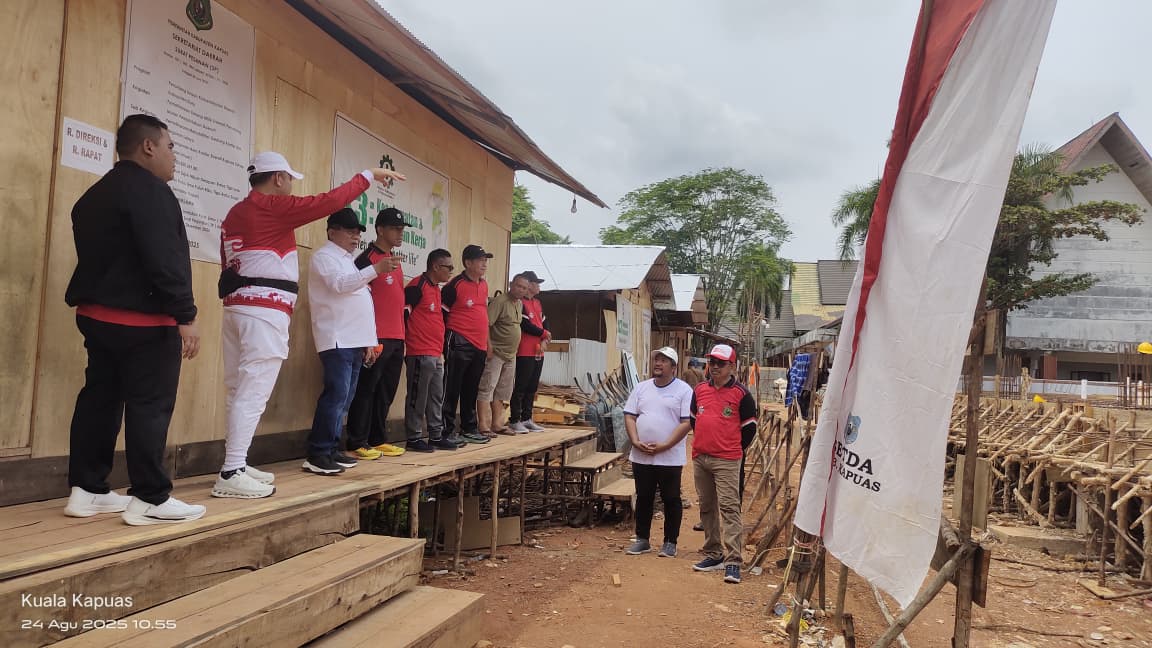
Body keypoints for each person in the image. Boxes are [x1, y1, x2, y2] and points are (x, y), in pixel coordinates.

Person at [214, 152, 404, 497]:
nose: (290, 186)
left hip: (239, 306)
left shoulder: (235, 213)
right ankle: (231, 470)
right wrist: (366, 176)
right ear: (278, 178)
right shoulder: (270, 206)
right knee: (253, 390)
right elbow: (328, 201)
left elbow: (227, 260)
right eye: (289, 179)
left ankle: (236, 461)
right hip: (264, 308)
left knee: (238, 388)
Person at [63, 114, 205, 525]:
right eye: (170, 146)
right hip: (144, 322)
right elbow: (164, 260)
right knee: (150, 405)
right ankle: (150, 497)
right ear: (148, 147)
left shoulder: (93, 195)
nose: (174, 156)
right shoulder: (154, 192)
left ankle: (87, 489)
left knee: (100, 399)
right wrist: (186, 314)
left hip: (96, 317)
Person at [303, 209, 398, 474]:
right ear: (332, 231)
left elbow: (361, 302)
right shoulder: (324, 257)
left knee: (345, 399)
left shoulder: (348, 260)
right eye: (350, 231)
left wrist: (369, 341)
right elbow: (339, 285)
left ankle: (332, 449)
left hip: (353, 340)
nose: (355, 237)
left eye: (357, 232)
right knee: (335, 396)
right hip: (337, 338)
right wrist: (375, 269)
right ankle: (318, 453)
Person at [690, 344, 757, 584]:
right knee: (706, 506)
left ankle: (733, 561)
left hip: (727, 460)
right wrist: (705, 444)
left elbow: (749, 429)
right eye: (712, 362)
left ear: (732, 366)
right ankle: (714, 553)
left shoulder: (742, 395)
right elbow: (694, 420)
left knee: (729, 508)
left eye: (721, 363)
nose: (715, 367)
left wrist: (730, 448)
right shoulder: (699, 390)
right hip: (701, 458)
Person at [346, 208, 409, 460]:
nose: (400, 233)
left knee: (386, 391)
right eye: (395, 228)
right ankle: (357, 441)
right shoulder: (366, 260)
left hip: (397, 336)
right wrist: (367, 339)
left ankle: (377, 438)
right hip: (375, 337)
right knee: (366, 389)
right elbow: (357, 299)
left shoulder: (394, 259)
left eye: (402, 229)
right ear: (380, 229)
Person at [622, 347, 693, 558]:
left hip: (669, 457)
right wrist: (635, 441)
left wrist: (665, 445)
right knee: (644, 497)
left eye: (664, 360)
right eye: (657, 359)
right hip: (641, 454)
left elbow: (687, 422)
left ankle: (670, 542)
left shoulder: (684, 390)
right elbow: (629, 416)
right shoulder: (641, 388)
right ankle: (642, 539)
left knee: (671, 498)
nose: (658, 363)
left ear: (674, 367)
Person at [402, 249, 459, 452]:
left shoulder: (436, 288)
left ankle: (436, 435)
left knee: (436, 395)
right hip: (419, 351)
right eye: (449, 267)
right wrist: (406, 344)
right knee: (417, 396)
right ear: (435, 266)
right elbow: (403, 315)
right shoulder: (417, 286)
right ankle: (414, 437)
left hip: (435, 352)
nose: (451, 271)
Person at [441, 245, 495, 445]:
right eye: (480, 260)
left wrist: (488, 342)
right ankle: (446, 430)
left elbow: (483, 315)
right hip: (459, 341)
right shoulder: (454, 285)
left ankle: (469, 428)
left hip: (479, 345)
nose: (484, 264)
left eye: (486, 260)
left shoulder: (484, 284)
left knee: (471, 388)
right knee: (451, 388)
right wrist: (442, 343)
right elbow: (442, 315)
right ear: (468, 263)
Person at [477, 274, 531, 436]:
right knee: (487, 387)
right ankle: (483, 425)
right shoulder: (499, 302)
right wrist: (489, 346)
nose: (520, 290)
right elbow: (486, 324)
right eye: (518, 286)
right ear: (511, 284)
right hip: (496, 353)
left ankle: (497, 424)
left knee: (502, 391)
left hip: (511, 354)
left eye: (524, 288)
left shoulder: (519, 304)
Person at [508, 270, 551, 433]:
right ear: (530, 285)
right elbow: (525, 325)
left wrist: (545, 337)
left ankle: (527, 418)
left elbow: (545, 322)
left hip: (538, 351)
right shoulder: (521, 303)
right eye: (536, 283)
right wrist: (544, 333)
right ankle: (514, 419)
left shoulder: (537, 302)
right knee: (521, 386)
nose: (539, 286)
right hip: (524, 350)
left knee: (532, 386)